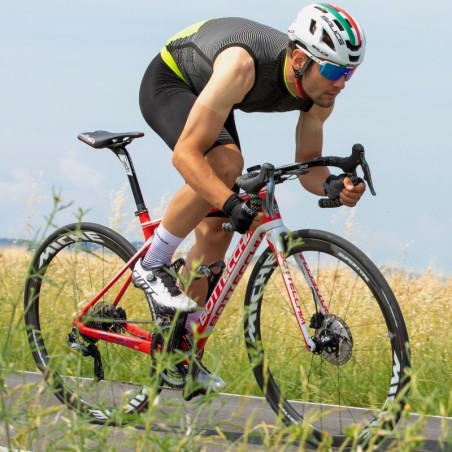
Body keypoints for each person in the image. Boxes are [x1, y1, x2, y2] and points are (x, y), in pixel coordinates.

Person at [133, 3, 367, 392]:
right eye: (333, 71)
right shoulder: (242, 65)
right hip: (173, 80)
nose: (341, 83)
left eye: (349, 73)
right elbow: (185, 155)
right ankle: (151, 263)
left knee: (217, 232)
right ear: (298, 59)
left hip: (214, 93)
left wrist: (332, 187)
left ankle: (176, 348)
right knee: (226, 167)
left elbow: (308, 164)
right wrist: (230, 202)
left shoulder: (321, 93)